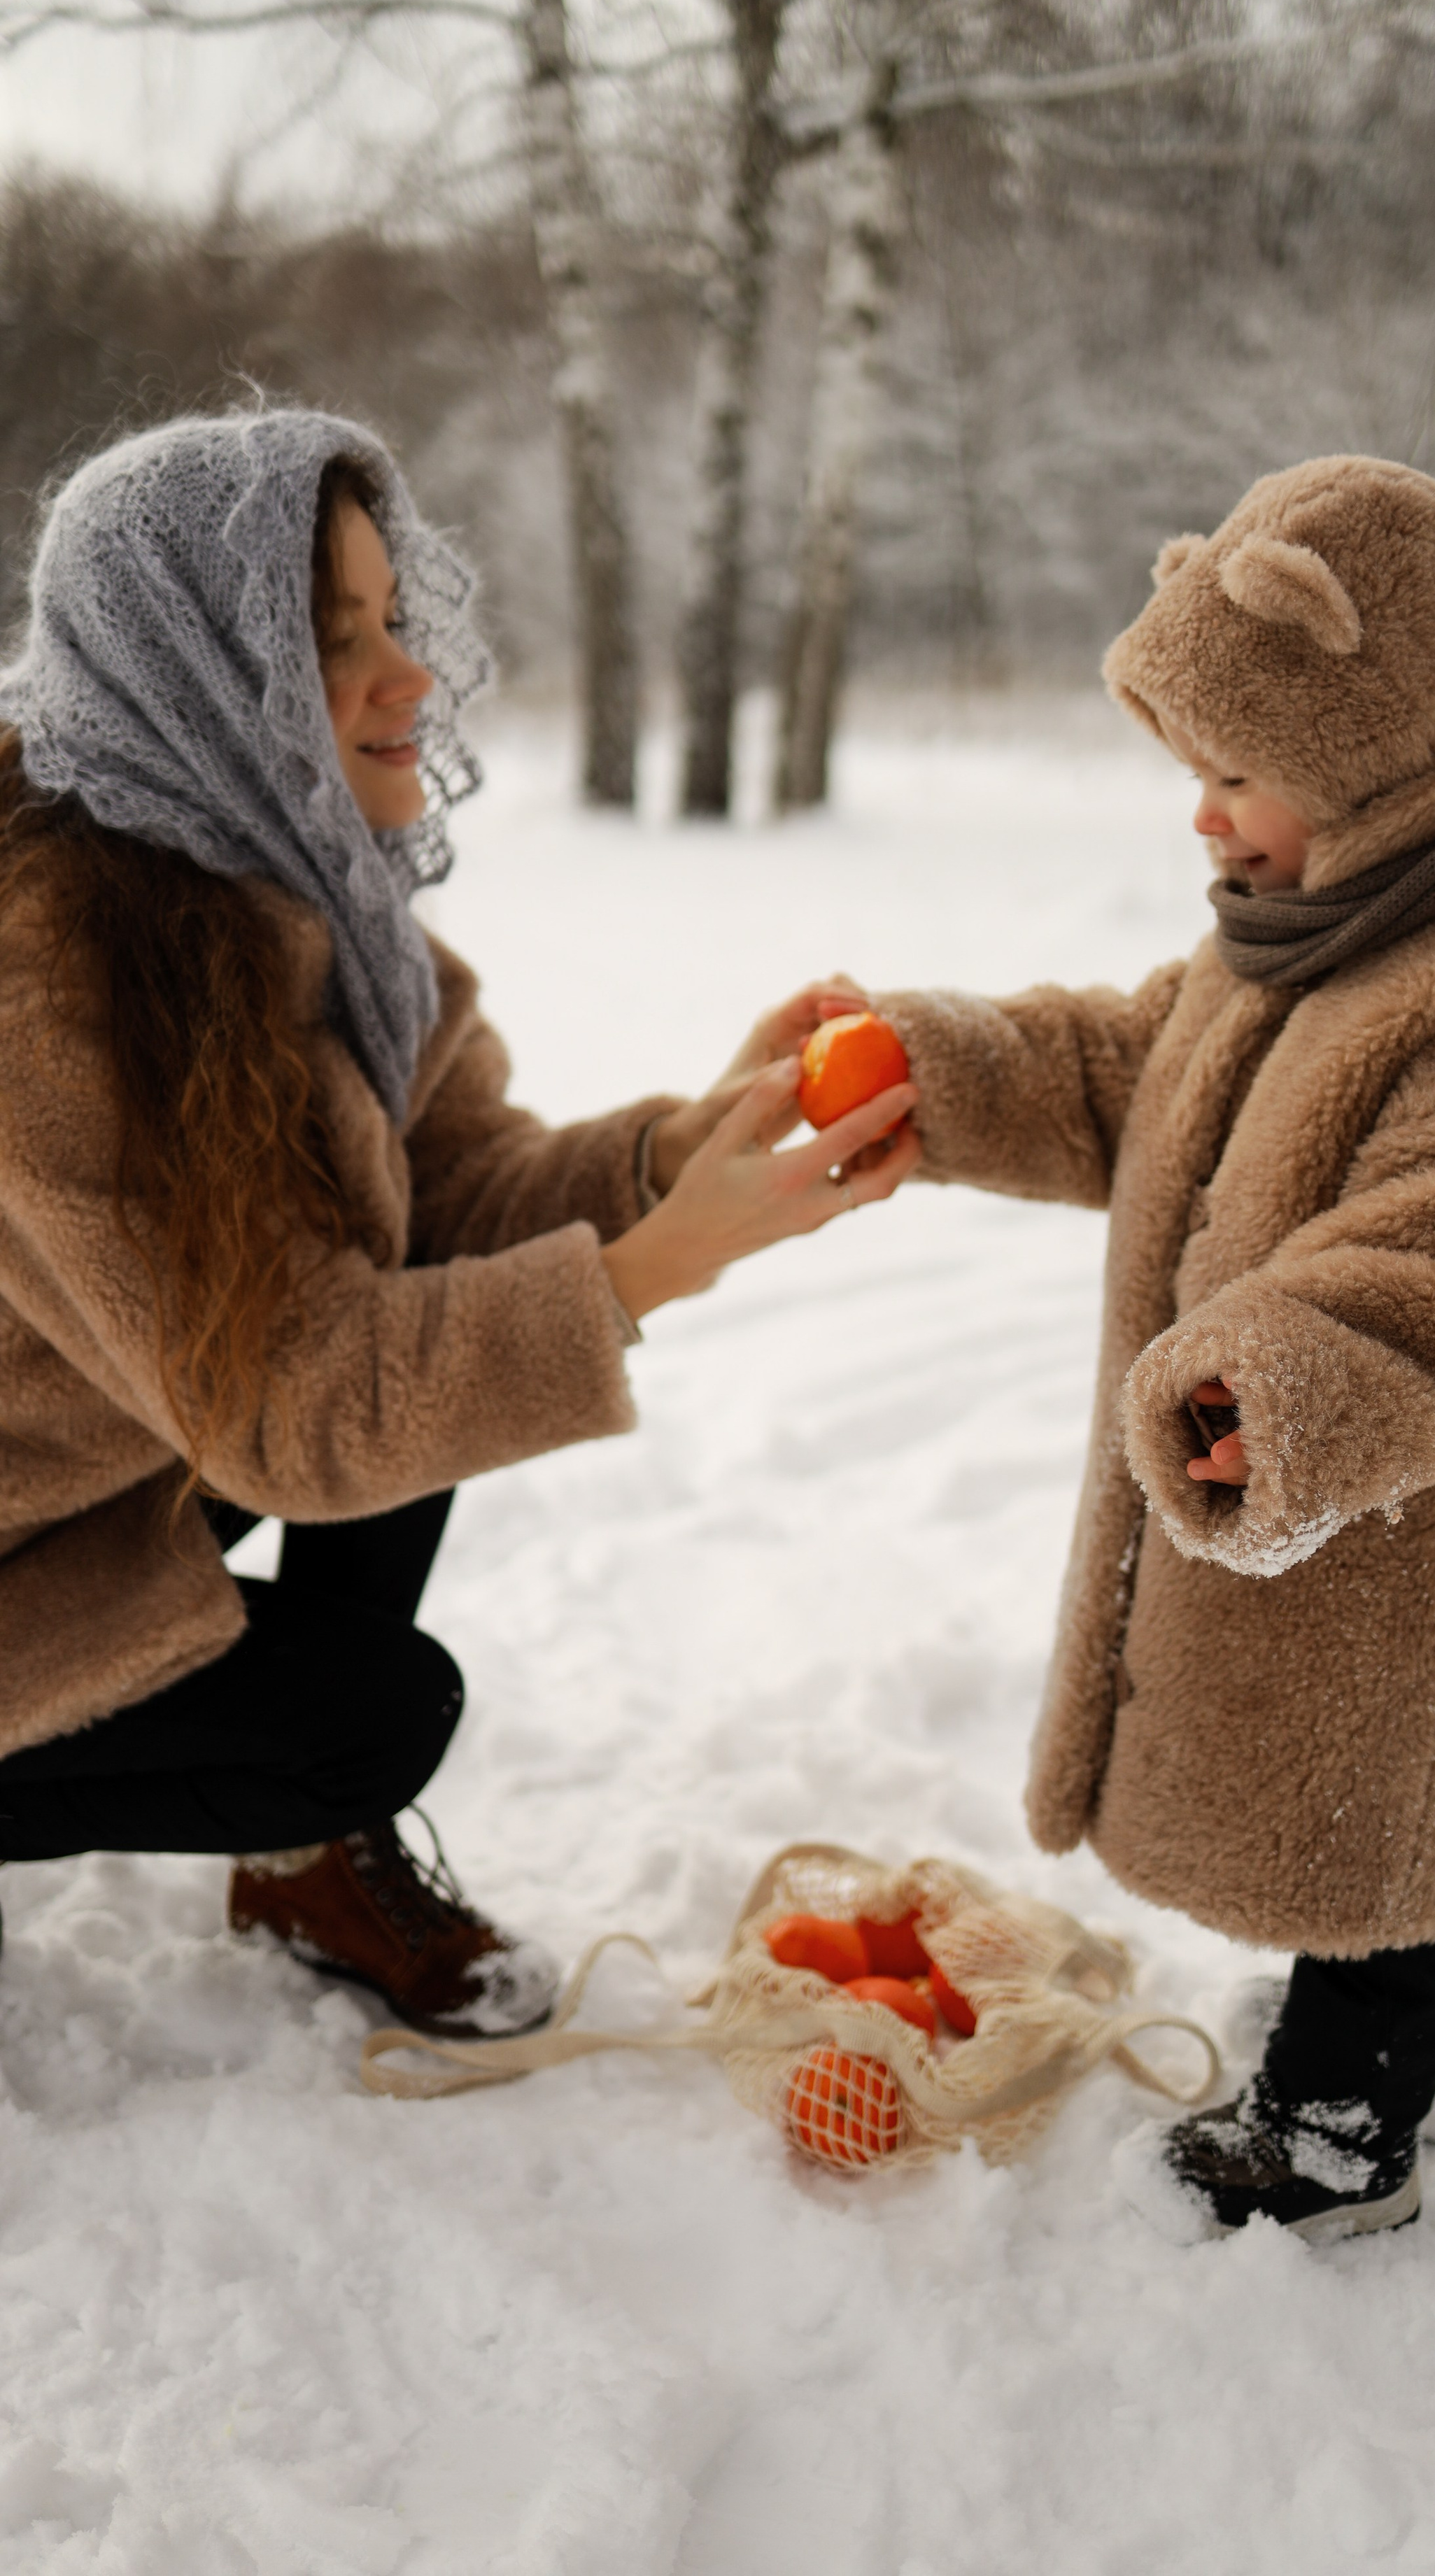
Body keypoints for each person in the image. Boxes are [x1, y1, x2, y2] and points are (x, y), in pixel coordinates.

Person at [0, 409, 918, 2039]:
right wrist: (639, 1276)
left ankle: (303, 1863)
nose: (405, 676)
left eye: (390, 618)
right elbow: (296, 1409)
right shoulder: (46, 987)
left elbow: (449, 1188)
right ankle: (296, 1816)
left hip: (79, 1472)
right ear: (197, 683)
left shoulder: (291, 891)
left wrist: (673, 1156)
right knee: (368, 1713)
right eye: (325, 642)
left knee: (438, 1322)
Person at [873, 456, 1435, 2239]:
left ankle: (1334, 2140)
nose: (1200, 819)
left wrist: (1289, 1378)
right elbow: (1125, 1075)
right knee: (1422, 1809)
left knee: (1385, 1815)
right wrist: (937, 1075)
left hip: (1421, 1512)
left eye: (1233, 775)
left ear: (1370, 753)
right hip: (1342, 1488)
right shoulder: (1314, 936)